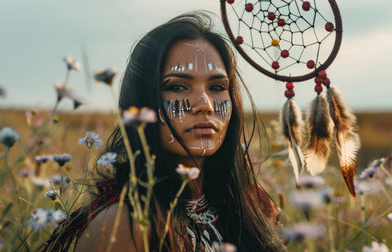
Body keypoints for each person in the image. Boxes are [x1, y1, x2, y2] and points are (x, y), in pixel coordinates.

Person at [40, 12, 286, 252]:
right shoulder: (125, 224)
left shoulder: (250, 208)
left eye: (217, 86)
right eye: (177, 86)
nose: (205, 104)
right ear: (142, 101)